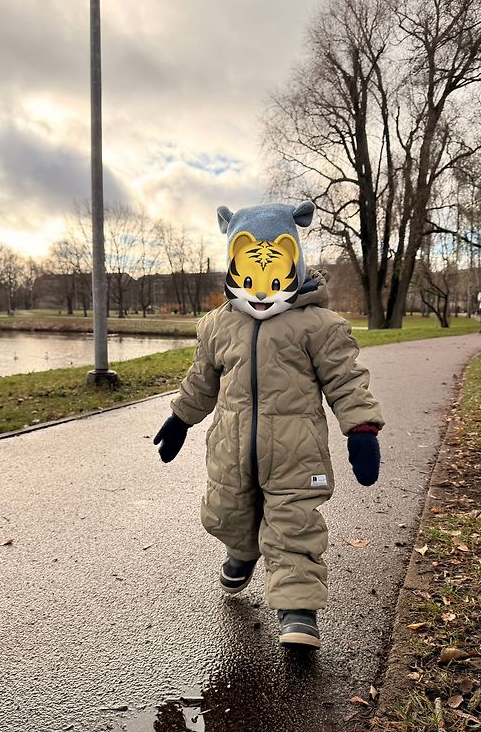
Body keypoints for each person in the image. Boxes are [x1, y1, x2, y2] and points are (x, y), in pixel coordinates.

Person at [153, 201, 384, 649]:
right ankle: (242, 549)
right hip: (231, 447)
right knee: (226, 511)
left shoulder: (319, 325)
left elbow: (345, 378)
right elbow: (201, 380)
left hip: (297, 452)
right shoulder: (218, 326)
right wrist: (180, 418)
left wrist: (361, 429)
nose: (260, 293)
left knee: (294, 524)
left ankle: (298, 610)